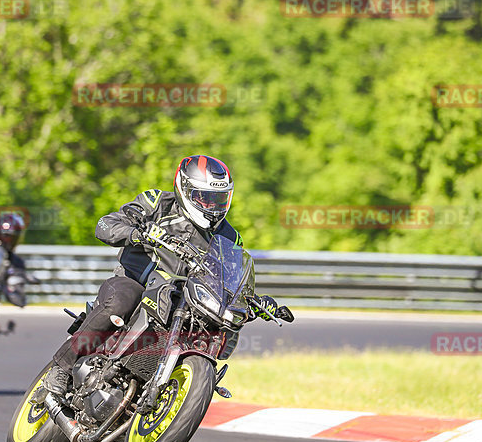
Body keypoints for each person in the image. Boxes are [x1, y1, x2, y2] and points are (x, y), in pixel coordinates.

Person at [32, 156, 293, 404]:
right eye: (204, 197)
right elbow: (106, 224)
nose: (211, 206)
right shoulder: (157, 202)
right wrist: (137, 233)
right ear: (185, 188)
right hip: (136, 283)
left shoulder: (230, 237)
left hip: (185, 300)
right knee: (122, 300)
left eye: (218, 199)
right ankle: (62, 369)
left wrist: (252, 301)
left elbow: (230, 277)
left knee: (218, 329)